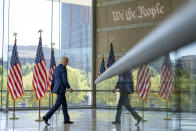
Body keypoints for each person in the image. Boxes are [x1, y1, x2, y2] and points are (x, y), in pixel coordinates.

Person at [42, 57, 73, 125]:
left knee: (64, 105)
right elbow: (64, 80)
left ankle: (66, 119)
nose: (67, 63)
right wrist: (69, 87)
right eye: (67, 62)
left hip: (57, 89)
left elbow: (53, 80)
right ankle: (46, 116)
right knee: (57, 105)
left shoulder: (56, 68)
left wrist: (52, 89)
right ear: (64, 61)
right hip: (61, 89)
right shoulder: (63, 68)